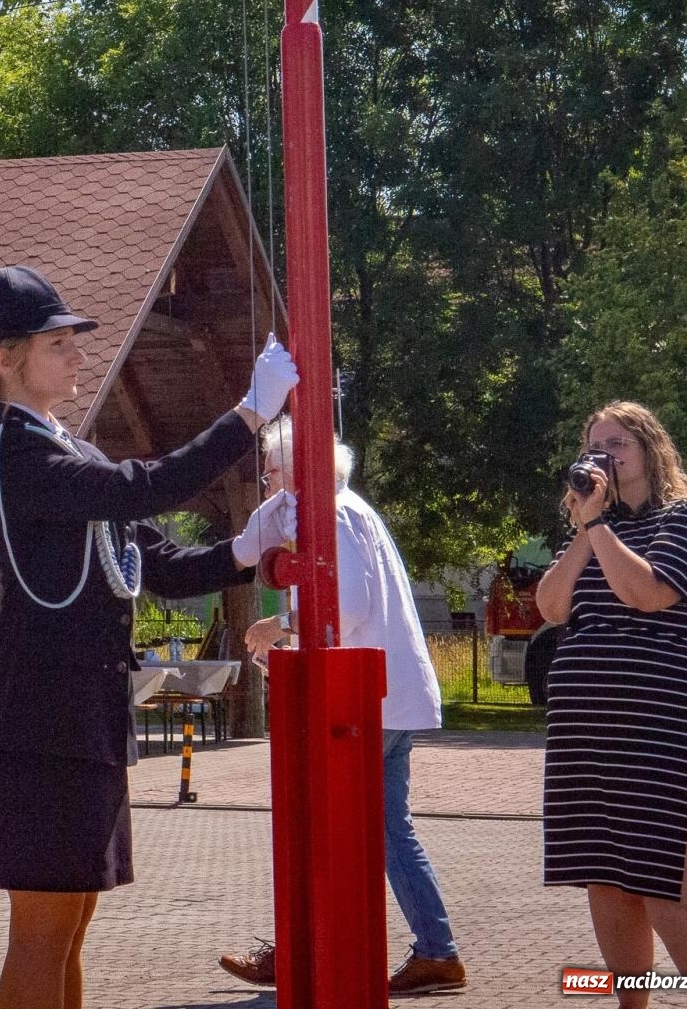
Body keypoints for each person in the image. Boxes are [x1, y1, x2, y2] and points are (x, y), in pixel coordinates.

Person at [0, 264, 299, 1009]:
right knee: (42, 928)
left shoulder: (71, 451)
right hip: (40, 720)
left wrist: (243, 552)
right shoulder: (16, 451)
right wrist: (246, 416)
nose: (78, 354)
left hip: (81, 714)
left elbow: (159, 566)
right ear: (6, 359)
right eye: (58, 342)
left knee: (73, 920)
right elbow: (148, 488)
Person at [220, 416, 466, 996]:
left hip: (360, 699)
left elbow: (345, 606)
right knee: (387, 828)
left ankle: (304, 947)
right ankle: (434, 950)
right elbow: (250, 543)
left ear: (300, 469)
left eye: (273, 469)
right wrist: (280, 506)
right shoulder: (341, 508)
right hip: (388, 694)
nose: (265, 481)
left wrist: (277, 625)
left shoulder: (328, 515)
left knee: (319, 821)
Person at [536, 401, 687, 1009]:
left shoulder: (686, 517)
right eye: (595, 446)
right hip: (586, 720)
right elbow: (552, 607)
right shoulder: (594, 528)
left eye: (617, 444)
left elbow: (645, 592)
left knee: (655, 857)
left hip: (666, 712)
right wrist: (584, 530)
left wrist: (599, 531)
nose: (605, 456)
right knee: (603, 862)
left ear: (649, 449)